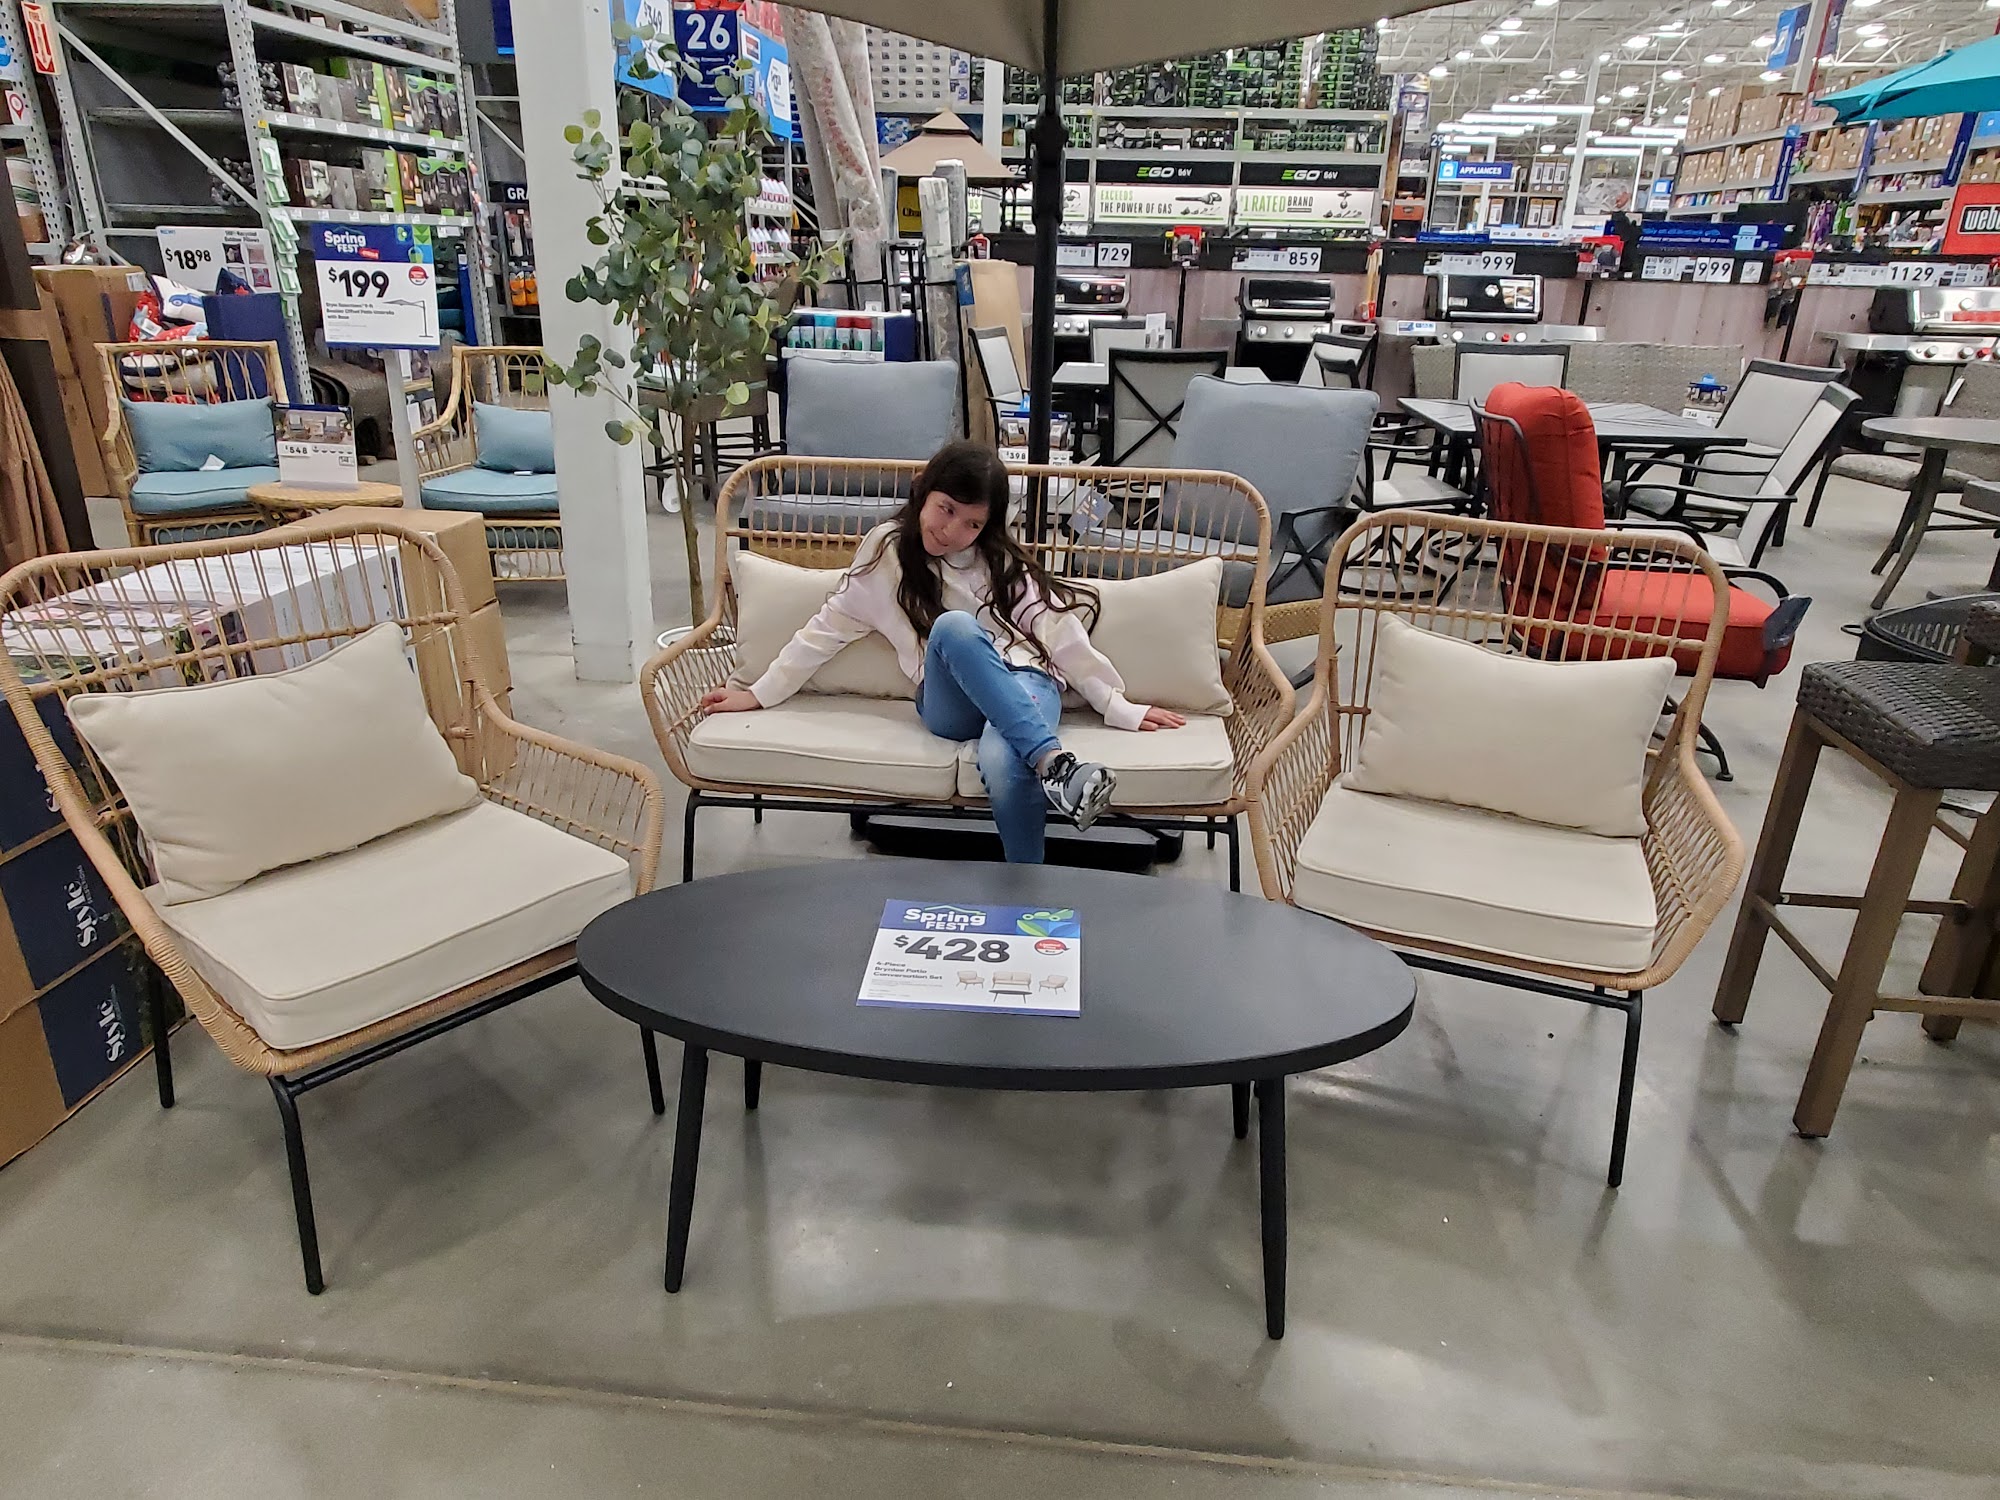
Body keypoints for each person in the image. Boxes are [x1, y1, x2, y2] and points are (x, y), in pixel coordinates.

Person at [699, 440, 1186, 862]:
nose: (953, 530)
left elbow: (1057, 631)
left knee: (1004, 760)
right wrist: (758, 693)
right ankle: (1058, 766)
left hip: (1024, 682)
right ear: (922, 491)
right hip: (949, 702)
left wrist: (1116, 704)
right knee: (953, 627)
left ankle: (1029, 891)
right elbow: (822, 633)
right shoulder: (884, 556)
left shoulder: (995, 560)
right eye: (946, 509)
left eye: (972, 523)